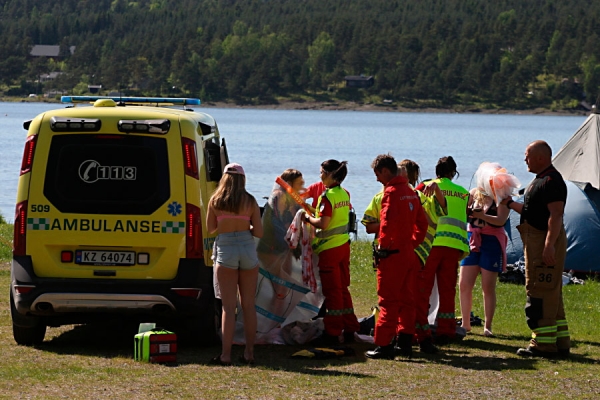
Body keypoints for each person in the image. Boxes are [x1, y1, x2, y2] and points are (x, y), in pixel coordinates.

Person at [504, 140, 570, 358]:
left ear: (541, 157)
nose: (525, 159)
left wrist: (549, 245)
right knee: (551, 292)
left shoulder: (551, 180)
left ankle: (542, 345)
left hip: (543, 241)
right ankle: (560, 343)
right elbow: (531, 211)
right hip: (534, 240)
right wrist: (509, 203)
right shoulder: (539, 181)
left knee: (540, 291)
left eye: (527, 155)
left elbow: (555, 215)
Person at [365, 154, 427, 359]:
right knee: (407, 300)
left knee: (388, 300)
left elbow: (387, 224)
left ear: (385, 171)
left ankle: (384, 345)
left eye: (377, 174)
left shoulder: (390, 193)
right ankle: (405, 342)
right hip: (408, 253)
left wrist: (384, 246)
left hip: (392, 256)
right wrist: (412, 242)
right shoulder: (411, 193)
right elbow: (422, 223)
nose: (376, 179)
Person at [207, 163, 263, 365]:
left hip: (226, 248)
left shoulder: (215, 200)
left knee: (228, 308)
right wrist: (245, 224)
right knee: (248, 305)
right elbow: (259, 232)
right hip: (247, 249)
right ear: (243, 179)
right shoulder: (250, 201)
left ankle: (226, 355)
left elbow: (210, 228)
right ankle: (249, 353)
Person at [459, 162, 520, 338]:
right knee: (464, 283)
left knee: (488, 286)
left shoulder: (502, 196)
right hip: (473, 239)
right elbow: (464, 213)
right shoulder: (473, 193)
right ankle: (465, 323)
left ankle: (488, 325)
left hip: (492, 240)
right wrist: (471, 212)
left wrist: (481, 215)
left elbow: (500, 220)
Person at [304, 159, 360, 344]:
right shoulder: (343, 194)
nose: (319, 176)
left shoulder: (328, 196)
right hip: (343, 246)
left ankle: (333, 333)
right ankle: (350, 328)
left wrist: (308, 218)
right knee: (343, 290)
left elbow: (324, 223)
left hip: (330, 250)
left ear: (329, 174)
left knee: (333, 292)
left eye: (321, 172)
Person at [416, 156, 470, 345]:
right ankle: (446, 330)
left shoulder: (425, 187)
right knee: (448, 290)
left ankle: (420, 328)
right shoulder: (463, 193)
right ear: (453, 173)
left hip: (431, 244)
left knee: (423, 288)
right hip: (454, 246)